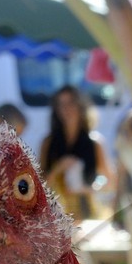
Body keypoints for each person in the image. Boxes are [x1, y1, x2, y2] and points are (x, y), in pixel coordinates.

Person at [40, 84, 108, 223]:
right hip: (57, 218)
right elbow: (39, 186)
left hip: (89, 216)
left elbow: (108, 181)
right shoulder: (48, 142)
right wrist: (58, 168)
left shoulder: (94, 143)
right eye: (61, 104)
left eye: (70, 103)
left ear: (80, 106)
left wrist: (91, 187)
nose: (66, 109)